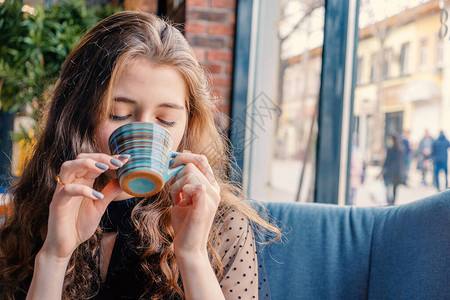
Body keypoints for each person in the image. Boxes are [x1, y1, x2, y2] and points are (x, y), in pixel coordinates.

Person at [0, 11, 280, 300]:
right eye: (118, 114)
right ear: (77, 116)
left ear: (188, 124)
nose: (145, 133)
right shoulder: (38, 210)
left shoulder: (223, 225)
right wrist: (54, 257)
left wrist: (193, 254)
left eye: (166, 120)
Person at [379, 135, 405, 205]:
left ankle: (389, 201)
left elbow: (387, 161)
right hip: (398, 172)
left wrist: (382, 171)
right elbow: (402, 163)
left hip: (390, 171)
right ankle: (393, 202)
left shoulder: (391, 149)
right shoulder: (401, 149)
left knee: (388, 186)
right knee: (395, 189)